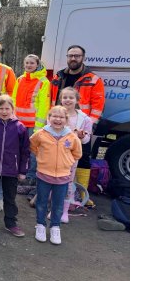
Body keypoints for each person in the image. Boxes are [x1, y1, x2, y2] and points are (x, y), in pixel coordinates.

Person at [48, 45, 105, 192]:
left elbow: (98, 106)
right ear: (67, 57)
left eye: (77, 56)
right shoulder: (58, 77)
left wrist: (88, 127)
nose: (73, 58)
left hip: (81, 126)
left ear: (83, 58)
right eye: (70, 56)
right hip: (59, 125)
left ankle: (81, 192)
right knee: (58, 157)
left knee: (83, 158)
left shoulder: (93, 79)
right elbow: (51, 100)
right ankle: (57, 189)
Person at [29, 106, 82, 245]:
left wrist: (67, 161)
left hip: (63, 178)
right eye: (55, 116)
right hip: (44, 175)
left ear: (66, 120)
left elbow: (77, 153)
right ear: (49, 118)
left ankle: (55, 227)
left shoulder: (72, 137)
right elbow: (32, 145)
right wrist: (41, 157)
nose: (58, 119)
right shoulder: (41, 134)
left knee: (58, 205)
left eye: (61, 117)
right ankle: (40, 225)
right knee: (41, 202)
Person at [0, 95, 30, 237]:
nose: (4, 111)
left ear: (12, 109)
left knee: (10, 198)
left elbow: (25, 151)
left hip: (12, 169)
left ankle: (11, 223)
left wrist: (22, 171)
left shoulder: (20, 127)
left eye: (7, 108)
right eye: (1, 108)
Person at [13, 54, 51, 185]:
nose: (29, 65)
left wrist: (38, 127)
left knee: (32, 151)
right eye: (27, 63)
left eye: (32, 63)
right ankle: (17, 173)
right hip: (18, 122)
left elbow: (44, 105)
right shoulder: (20, 79)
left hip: (33, 124)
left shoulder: (44, 81)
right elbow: (14, 99)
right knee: (17, 149)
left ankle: (30, 176)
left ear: (37, 65)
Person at [57, 87, 93, 223]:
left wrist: (82, 136)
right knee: (54, 181)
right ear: (61, 99)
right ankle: (54, 208)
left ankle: (64, 211)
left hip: (71, 157)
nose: (68, 100)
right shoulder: (55, 114)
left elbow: (86, 140)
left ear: (77, 100)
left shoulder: (85, 119)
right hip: (55, 154)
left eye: (71, 97)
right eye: (65, 97)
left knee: (68, 182)